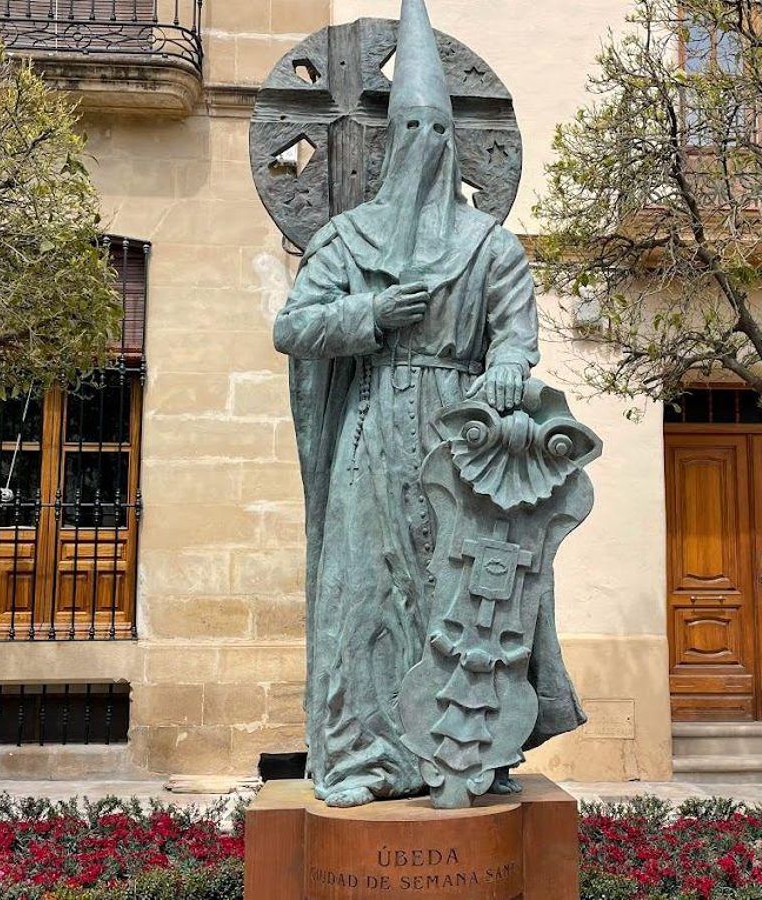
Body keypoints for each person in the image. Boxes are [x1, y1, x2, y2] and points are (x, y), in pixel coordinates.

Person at [273, 0, 580, 808]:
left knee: (463, 591)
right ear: (387, 142)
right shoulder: (346, 239)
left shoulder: (491, 246)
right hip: (371, 428)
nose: (426, 146)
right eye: (410, 130)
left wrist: (508, 372)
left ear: (457, 142)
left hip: (461, 440)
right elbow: (292, 326)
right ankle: (364, 756)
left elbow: (516, 335)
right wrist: (370, 317)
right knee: (363, 589)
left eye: (438, 131)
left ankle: (468, 748)